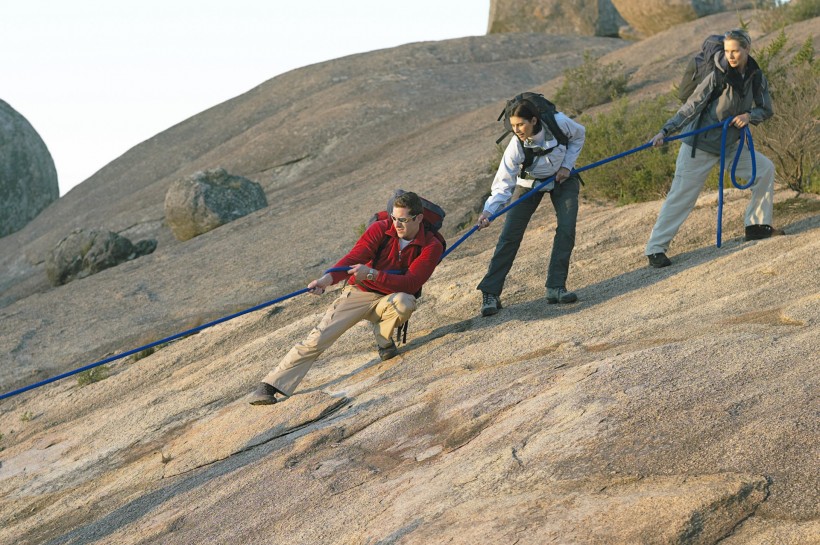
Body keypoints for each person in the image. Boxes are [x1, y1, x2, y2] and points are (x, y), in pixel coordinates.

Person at [249, 191, 444, 405]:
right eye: (394, 218)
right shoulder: (381, 228)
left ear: (418, 218)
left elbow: (411, 284)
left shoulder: (431, 246)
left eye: (403, 220)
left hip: (391, 297)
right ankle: (270, 385)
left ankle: (384, 340)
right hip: (359, 292)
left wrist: (372, 274)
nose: (397, 225)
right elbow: (353, 258)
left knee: (405, 302)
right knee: (319, 337)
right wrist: (326, 279)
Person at [645, 28, 782, 268]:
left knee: (765, 169)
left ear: (747, 49)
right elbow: (691, 106)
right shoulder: (717, 75)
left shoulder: (756, 76)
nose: (731, 56)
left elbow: (766, 109)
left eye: (735, 51)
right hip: (700, 145)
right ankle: (655, 248)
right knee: (682, 197)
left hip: (731, 145)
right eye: (728, 51)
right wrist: (665, 131)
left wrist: (750, 115)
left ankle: (757, 226)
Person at [475, 98, 585, 316]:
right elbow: (503, 183)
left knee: (566, 229)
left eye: (521, 125)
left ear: (534, 120)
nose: (517, 131)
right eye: (513, 126)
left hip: (563, 180)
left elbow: (579, 134)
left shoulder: (559, 123)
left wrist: (566, 166)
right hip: (528, 185)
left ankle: (556, 287)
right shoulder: (515, 145)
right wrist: (489, 211)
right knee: (510, 236)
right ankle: (490, 294)